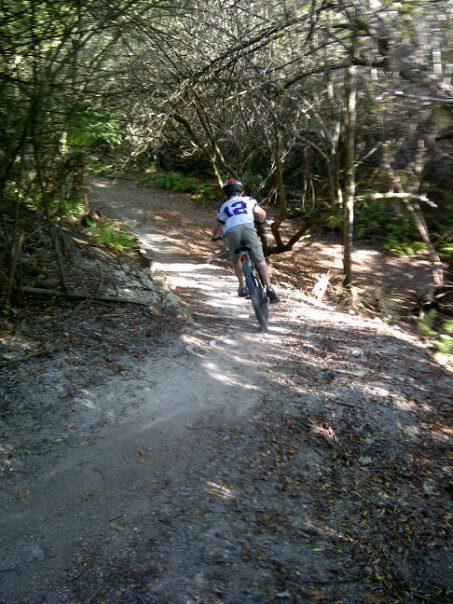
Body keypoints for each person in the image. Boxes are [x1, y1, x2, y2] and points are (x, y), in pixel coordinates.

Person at [212, 178, 279, 303]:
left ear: (226, 194)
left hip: (231, 231)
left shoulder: (224, 206)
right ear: (241, 192)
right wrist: (260, 222)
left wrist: (215, 236)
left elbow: (218, 227)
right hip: (248, 227)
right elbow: (262, 213)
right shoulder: (248, 200)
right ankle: (269, 288)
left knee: (236, 259)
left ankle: (242, 286)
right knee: (260, 260)